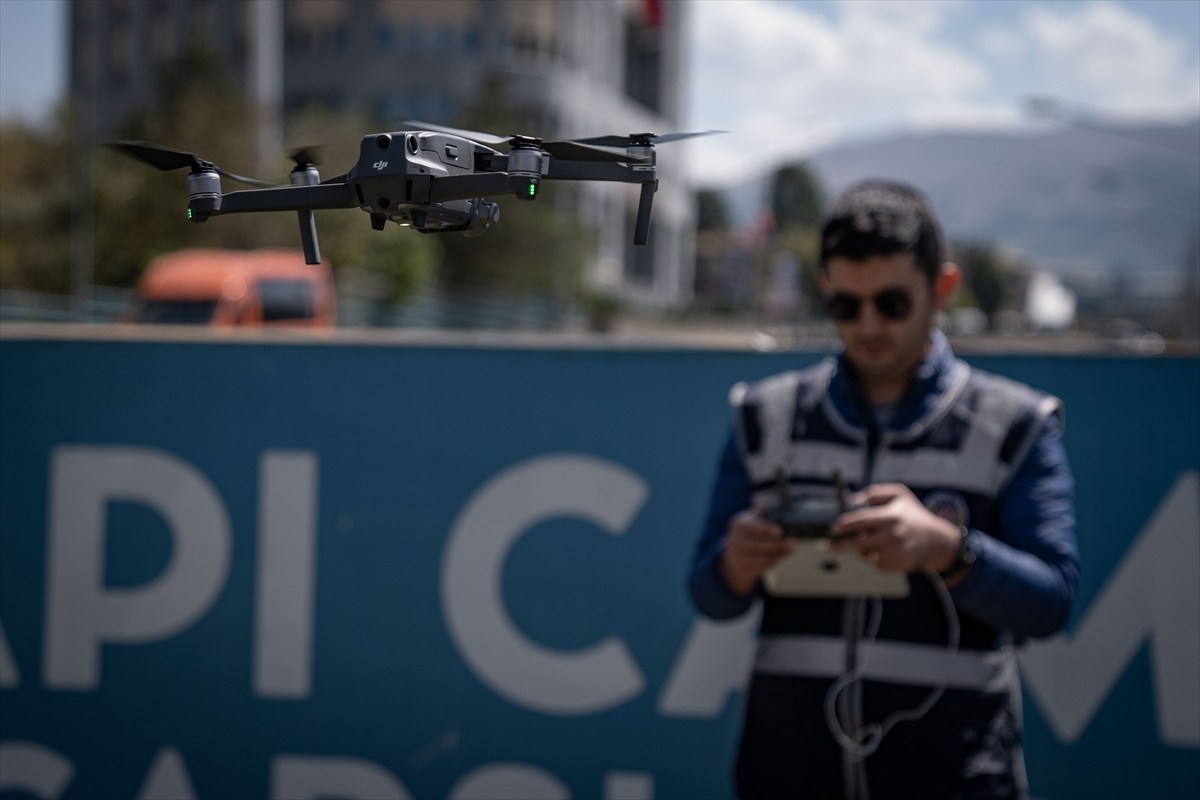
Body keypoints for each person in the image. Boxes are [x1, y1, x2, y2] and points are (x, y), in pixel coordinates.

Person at [689, 180, 1079, 800]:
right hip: (786, 776)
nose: (868, 325)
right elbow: (707, 594)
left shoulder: (1016, 424)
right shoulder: (763, 415)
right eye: (846, 306)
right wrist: (735, 565)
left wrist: (948, 550)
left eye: (892, 303)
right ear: (826, 292)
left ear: (942, 289)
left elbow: (1053, 601)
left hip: (957, 779)